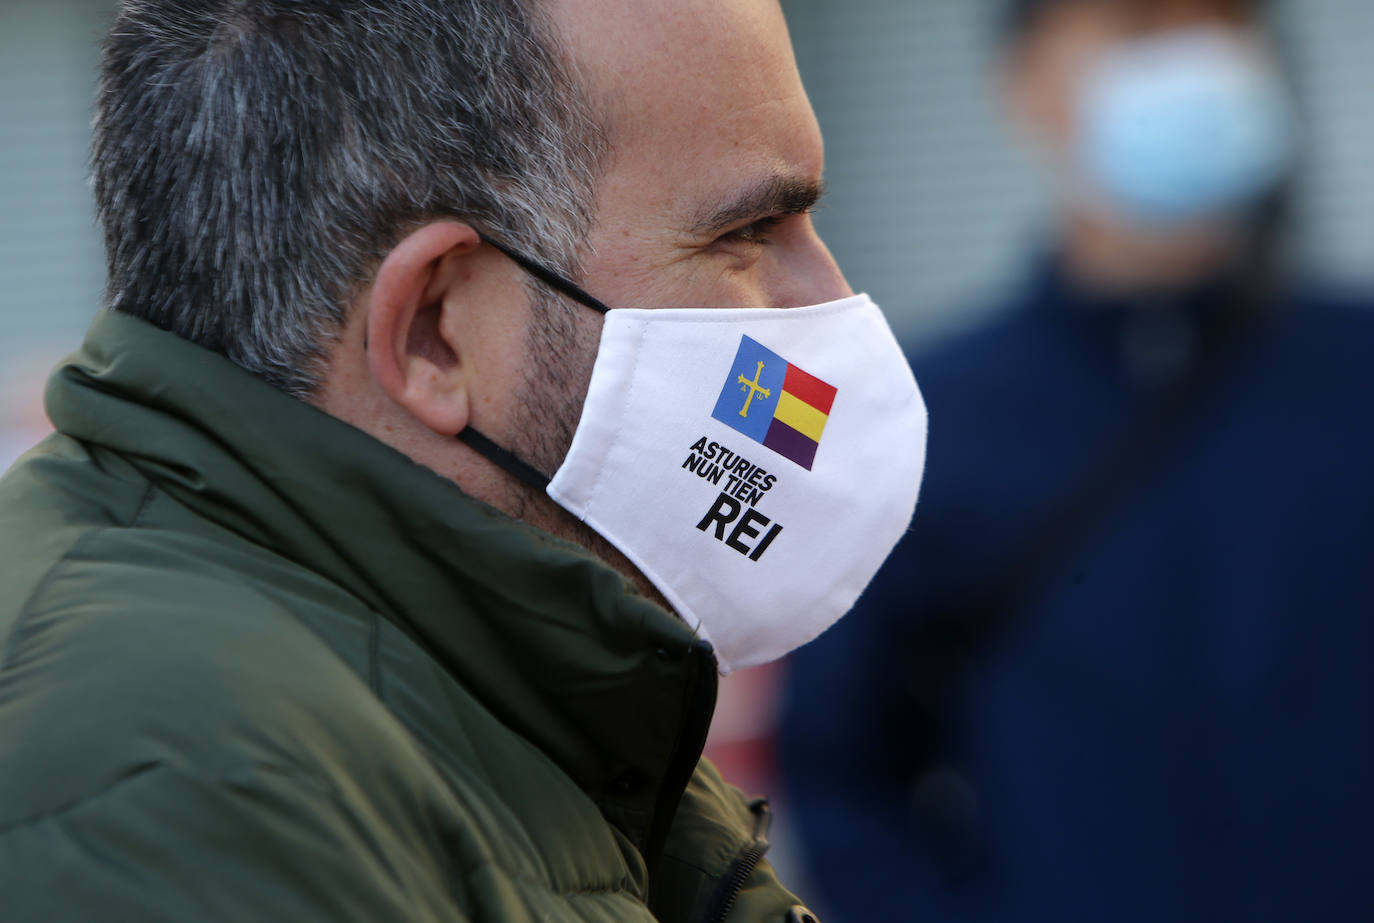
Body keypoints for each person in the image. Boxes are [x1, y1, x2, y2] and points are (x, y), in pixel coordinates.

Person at [0, 1, 929, 920]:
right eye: (746, 234)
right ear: (438, 334)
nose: (830, 298)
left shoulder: (519, 696)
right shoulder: (182, 789)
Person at [780, 1, 1374, 921]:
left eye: (1222, 23)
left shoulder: (1356, 373)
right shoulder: (926, 420)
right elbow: (837, 759)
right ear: (1025, 85)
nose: (1196, 58)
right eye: (1139, 28)